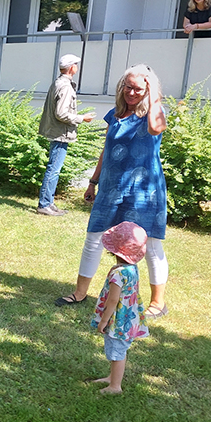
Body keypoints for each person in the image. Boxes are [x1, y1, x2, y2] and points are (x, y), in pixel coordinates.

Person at [56, 63, 169, 318]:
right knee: (94, 238)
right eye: (127, 87)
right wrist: (93, 182)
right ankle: (80, 292)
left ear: (149, 90)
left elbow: (154, 128)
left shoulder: (155, 112)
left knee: (149, 245)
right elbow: (106, 151)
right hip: (111, 187)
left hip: (144, 191)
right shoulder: (114, 114)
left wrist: (153, 96)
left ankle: (158, 303)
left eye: (138, 89)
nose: (131, 93)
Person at [87, 221, 150, 395]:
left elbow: (113, 300)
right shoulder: (132, 269)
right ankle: (112, 377)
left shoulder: (118, 273)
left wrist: (104, 321)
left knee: (117, 351)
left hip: (118, 321)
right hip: (129, 316)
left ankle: (115, 386)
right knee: (118, 350)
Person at [36, 53, 95, 216]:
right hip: (60, 133)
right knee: (53, 169)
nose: (77, 66)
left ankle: (49, 202)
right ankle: (44, 204)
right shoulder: (66, 86)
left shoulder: (58, 82)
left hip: (57, 132)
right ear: (71, 68)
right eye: (76, 64)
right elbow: (61, 113)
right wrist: (81, 118)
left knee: (53, 168)